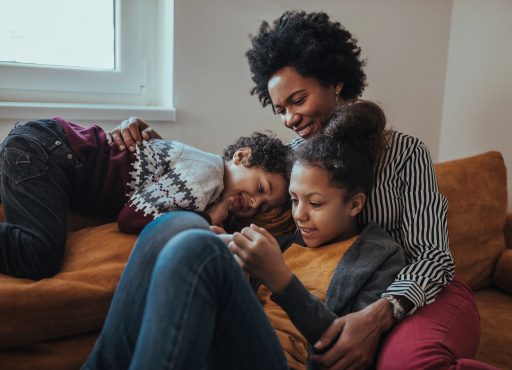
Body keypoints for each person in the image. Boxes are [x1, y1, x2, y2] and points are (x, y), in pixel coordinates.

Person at [110, 10, 486, 370]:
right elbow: (229, 178)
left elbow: (434, 256)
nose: (290, 119)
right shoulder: (292, 159)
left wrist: (380, 313)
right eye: (280, 110)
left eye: (299, 100)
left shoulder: (405, 154)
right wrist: (156, 147)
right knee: (175, 229)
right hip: (294, 301)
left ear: (336, 82)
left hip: (388, 297)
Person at [83, 101, 406, 370]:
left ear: (355, 204)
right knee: (173, 227)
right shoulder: (283, 239)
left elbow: (347, 350)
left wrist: (280, 280)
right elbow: (226, 180)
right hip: (226, 349)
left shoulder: (379, 255)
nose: (299, 214)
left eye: (316, 203)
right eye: (294, 200)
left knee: (198, 248)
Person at [0, 117, 289, 280]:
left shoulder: (201, 169)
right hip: (53, 154)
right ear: (242, 156)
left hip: (44, 143)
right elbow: (134, 216)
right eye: (261, 188)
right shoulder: (208, 173)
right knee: (39, 254)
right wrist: (209, 219)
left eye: (263, 206)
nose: (254, 203)